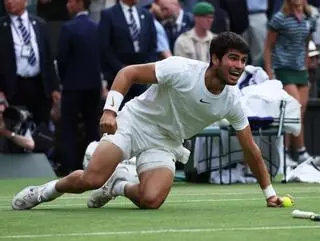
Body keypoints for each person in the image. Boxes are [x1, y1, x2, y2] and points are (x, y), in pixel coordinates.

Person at [11, 32, 289, 210]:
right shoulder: (181, 69)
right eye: (232, 59)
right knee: (91, 179)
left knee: (151, 199)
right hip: (135, 123)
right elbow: (128, 72)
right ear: (215, 59)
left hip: (166, 142)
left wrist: (269, 194)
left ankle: (118, 183)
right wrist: (110, 110)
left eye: (242, 60)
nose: (239, 66)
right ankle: (44, 192)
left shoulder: (232, 100)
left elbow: (250, 148)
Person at [264, 0, 317, 165]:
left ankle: (299, 152)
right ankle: (287, 152)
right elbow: (268, 46)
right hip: (283, 68)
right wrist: (269, 70)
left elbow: (306, 43)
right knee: (294, 108)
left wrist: (306, 64)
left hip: (300, 70)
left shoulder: (310, 17)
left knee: (300, 111)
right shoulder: (280, 18)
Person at [57, 0, 102, 173]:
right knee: (92, 128)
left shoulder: (68, 28)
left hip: (72, 86)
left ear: (79, 3)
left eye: (70, 1)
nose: (67, 4)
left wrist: (63, 81)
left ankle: (68, 167)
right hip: (94, 86)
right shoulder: (96, 27)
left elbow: (62, 59)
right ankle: (96, 166)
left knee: (68, 127)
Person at [0, 0, 61, 128]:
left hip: (39, 86)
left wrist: (55, 88)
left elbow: (48, 59)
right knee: (16, 129)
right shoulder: (2, 26)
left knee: (41, 130)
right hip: (14, 88)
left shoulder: (40, 24)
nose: (9, 2)